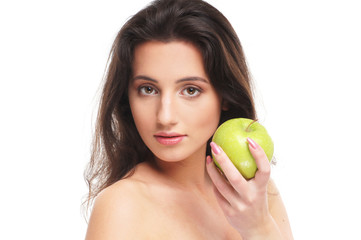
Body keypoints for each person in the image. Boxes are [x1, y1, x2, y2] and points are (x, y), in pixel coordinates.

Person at [84, 0, 293, 239]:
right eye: (148, 89)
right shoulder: (122, 206)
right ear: (126, 97)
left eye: (190, 90)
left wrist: (259, 227)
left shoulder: (253, 193)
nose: (165, 117)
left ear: (225, 96)